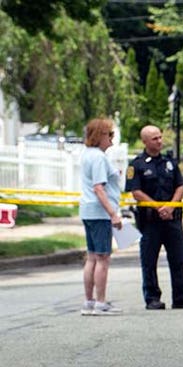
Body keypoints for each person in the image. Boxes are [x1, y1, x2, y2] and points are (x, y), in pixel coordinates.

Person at [127, 125, 183, 310]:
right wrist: (158, 206)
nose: (159, 141)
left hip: (172, 219)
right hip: (150, 221)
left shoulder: (170, 162)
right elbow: (136, 192)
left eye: (160, 137)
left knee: (179, 258)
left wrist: (171, 205)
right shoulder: (136, 165)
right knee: (149, 261)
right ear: (145, 141)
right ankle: (152, 298)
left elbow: (180, 186)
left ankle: (181, 297)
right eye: (154, 139)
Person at [79, 118, 125, 316]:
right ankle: (101, 302)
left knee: (91, 257)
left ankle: (89, 301)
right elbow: (99, 188)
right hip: (100, 213)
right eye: (109, 135)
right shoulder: (98, 157)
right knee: (103, 258)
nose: (111, 139)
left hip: (87, 210)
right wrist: (113, 214)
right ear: (99, 136)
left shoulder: (87, 155)